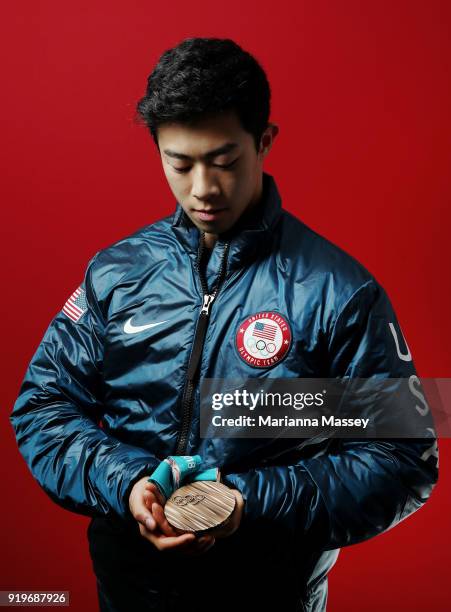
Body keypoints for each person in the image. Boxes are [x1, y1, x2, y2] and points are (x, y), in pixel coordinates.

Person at [10, 37, 438, 612]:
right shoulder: (115, 274)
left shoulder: (341, 293)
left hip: (271, 596)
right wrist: (131, 483)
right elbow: (43, 407)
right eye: (179, 163)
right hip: (129, 592)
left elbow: (400, 459)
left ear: (264, 142)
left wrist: (244, 503)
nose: (203, 189)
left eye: (224, 160)